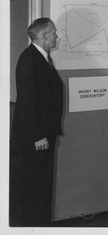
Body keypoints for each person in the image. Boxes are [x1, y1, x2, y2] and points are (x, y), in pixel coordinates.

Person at [12, 17, 63, 226]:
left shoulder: (43, 58)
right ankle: (32, 226)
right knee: (35, 184)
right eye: (53, 32)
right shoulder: (29, 59)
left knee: (41, 184)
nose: (57, 36)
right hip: (37, 138)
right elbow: (27, 101)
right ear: (44, 36)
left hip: (44, 134)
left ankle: (39, 226)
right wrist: (38, 135)